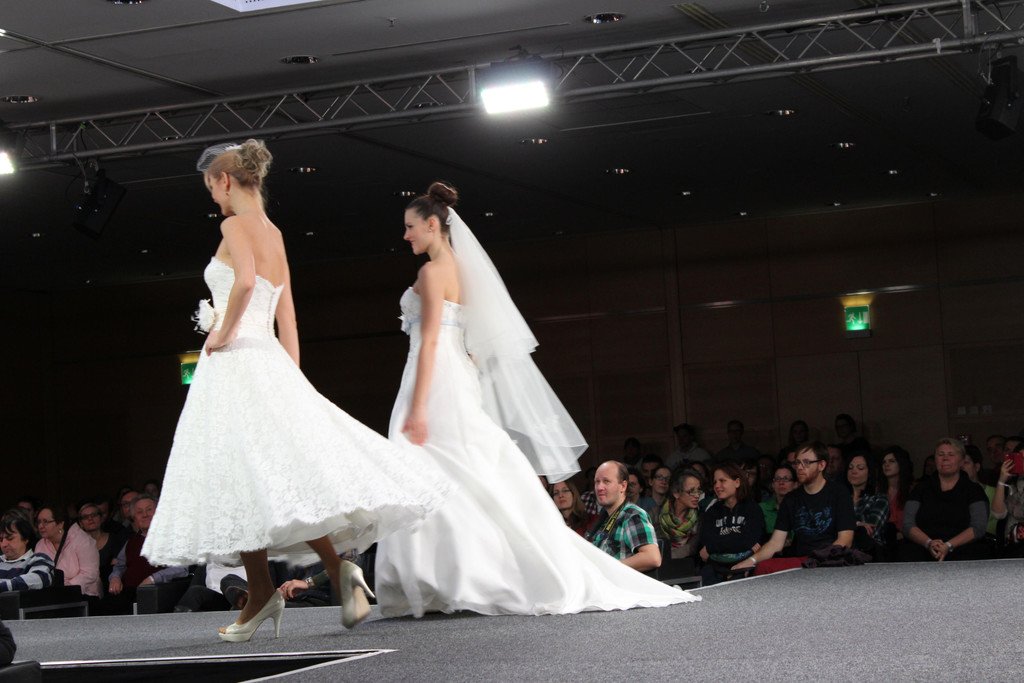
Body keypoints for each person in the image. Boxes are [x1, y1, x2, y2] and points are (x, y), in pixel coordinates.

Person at [140, 140, 448, 640]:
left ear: (224, 181)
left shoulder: (233, 226)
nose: (213, 198)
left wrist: (220, 334)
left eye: (211, 187)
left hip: (237, 362)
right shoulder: (275, 233)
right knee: (265, 476)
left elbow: (244, 284)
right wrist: (292, 380)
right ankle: (316, 575)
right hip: (270, 361)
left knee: (242, 474)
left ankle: (270, 592)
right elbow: (288, 317)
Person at [374, 183, 697, 616]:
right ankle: (457, 578)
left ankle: (448, 579)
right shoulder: (463, 270)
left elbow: (431, 340)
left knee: (432, 467)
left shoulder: (433, 273)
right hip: (454, 375)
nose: (405, 235)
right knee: (464, 471)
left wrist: (417, 408)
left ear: (433, 224)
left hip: (432, 381)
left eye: (410, 226)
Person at [731, 442, 855, 574]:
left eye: (806, 462)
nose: (800, 467)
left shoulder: (839, 493)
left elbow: (845, 540)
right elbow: (775, 543)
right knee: (763, 567)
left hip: (832, 560)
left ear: (821, 465)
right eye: (797, 463)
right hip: (802, 562)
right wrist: (751, 560)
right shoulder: (791, 499)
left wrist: (821, 560)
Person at [899, 438, 988, 562]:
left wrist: (948, 545)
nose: (945, 458)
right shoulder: (921, 488)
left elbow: (979, 527)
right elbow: (908, 524)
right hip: (924, 547)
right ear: (935, 459)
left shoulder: (974, 490)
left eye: (951, 454)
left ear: (962, 461)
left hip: (963, 548)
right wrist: (929, 543)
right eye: (941, 454)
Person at [698, 463, 765, 584]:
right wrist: (738, 541)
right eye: (715, 482)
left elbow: (749, 540)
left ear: (737, 482)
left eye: (722, 481)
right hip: (715, 569)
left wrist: (713, 547)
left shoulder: (752, 509)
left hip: (745, 567)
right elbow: (706, 541)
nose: (717, 486)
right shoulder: (712, 511)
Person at [34, 505, 101, 598]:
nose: (41, 526)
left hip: (83, 596)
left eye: (46, 522)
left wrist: (66, 589)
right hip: (51, 596)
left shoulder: (82, 540)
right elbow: (38, 573)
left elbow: (90, 573)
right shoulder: (40, 545)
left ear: (60, 524)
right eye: (39, 522)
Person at [78, 501, 128, 596]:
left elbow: (120, 566)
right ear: (81, 523)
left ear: (101, 518)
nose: (90, 519)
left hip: (113, 589)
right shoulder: (77, 545)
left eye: (94, 515)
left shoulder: (115, 540)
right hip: (87, 591)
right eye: (85, 517)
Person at [0, 510, 54, 593]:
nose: (4, 544)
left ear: (25, 538)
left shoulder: (39, 559)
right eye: (1, 539)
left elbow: (38, 579)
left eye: (10, 538)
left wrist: (4, 586)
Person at [846, 454, 888, 555]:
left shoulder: (879, 499)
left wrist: (846, 524)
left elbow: (870, 530)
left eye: (860, 468)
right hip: (841, 548)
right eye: (850, 468)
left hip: (869, 553)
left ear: (869, 472)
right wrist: (857, 523)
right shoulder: (840, 497)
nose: (854, 471)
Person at [657, 469, 704, 560]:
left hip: (688, 564)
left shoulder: (700, 517)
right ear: (676, 493)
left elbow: (691, 548)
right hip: (658, 564)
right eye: (691, 491)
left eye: (698, 490)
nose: (697, 495)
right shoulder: (656, 514)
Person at [760, 463, 797, 537]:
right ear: (773, 485)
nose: (781, 482)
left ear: (795, 484)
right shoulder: (762, 508)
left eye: (786, 479)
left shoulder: (802, 508)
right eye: (777, 479)